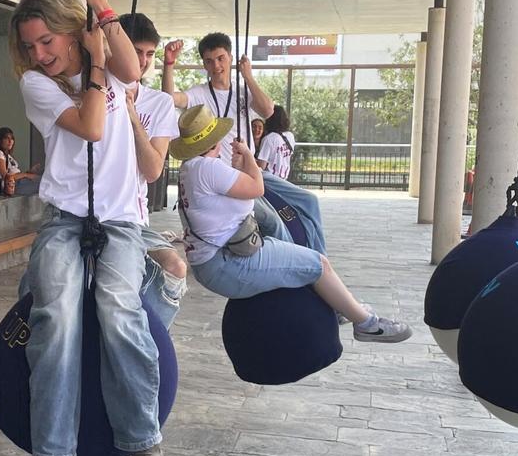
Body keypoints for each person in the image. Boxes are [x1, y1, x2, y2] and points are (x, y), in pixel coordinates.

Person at [11, 0, 168, 456]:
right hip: (64, 218)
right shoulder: (37, 85)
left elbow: (128, 66)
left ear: (70, 30)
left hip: (121, 221)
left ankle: (147, 449)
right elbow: (93, 126)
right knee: (55, 315)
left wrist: (103, 7)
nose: (38, 54)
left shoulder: (115, 65)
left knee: (117, 307)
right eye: (30, 46)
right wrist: (96, 66)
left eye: (47, 41)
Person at [173, 105, 410, 342]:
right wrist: (247, 157)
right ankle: (366, 324)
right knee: (318, 265)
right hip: (227, 263)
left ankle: (341, 306)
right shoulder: (209, 168)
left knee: (294, 254)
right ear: (215, 140)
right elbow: (257, 188)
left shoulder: (189, 169)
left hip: (211, 262)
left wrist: (243, 165)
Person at [166, 39, 326, 254]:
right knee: (273, 221)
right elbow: (169, 99)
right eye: (209, 61)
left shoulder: (243, 92)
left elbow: (268, 110)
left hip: (252, 170)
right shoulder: (199, 93)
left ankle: (318, 257)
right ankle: (294, 263)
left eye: (221, 58)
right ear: (204, 65)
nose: (216, 66)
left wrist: (248, 76)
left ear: (231, 58)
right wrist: (169, 65)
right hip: (226, 176)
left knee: (309, 200)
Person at [119, 11, 187, 330]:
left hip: (133, 215)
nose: (144, 61)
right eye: (136, 51)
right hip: (91, 212)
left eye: (149, 54)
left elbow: (153, 169)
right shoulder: (94, 93)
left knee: (175, 266)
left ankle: (150, 341)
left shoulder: (158, 103)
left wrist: (133, 117)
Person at [0, 127, 40, 195]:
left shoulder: (9, 156)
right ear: (0, 140)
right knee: (43, 183)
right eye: (6, 138)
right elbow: (6, 177)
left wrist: (29, 172)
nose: (10, 141)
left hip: (20, 181)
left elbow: (14, 172)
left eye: (12, 138)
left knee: (42, 178)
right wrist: (26, 175)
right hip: (14, 185)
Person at [257, 105, 296, 180]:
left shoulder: (268, 139)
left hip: (270, 180)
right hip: (284, 179)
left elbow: (261, 166)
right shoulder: (290, 136)